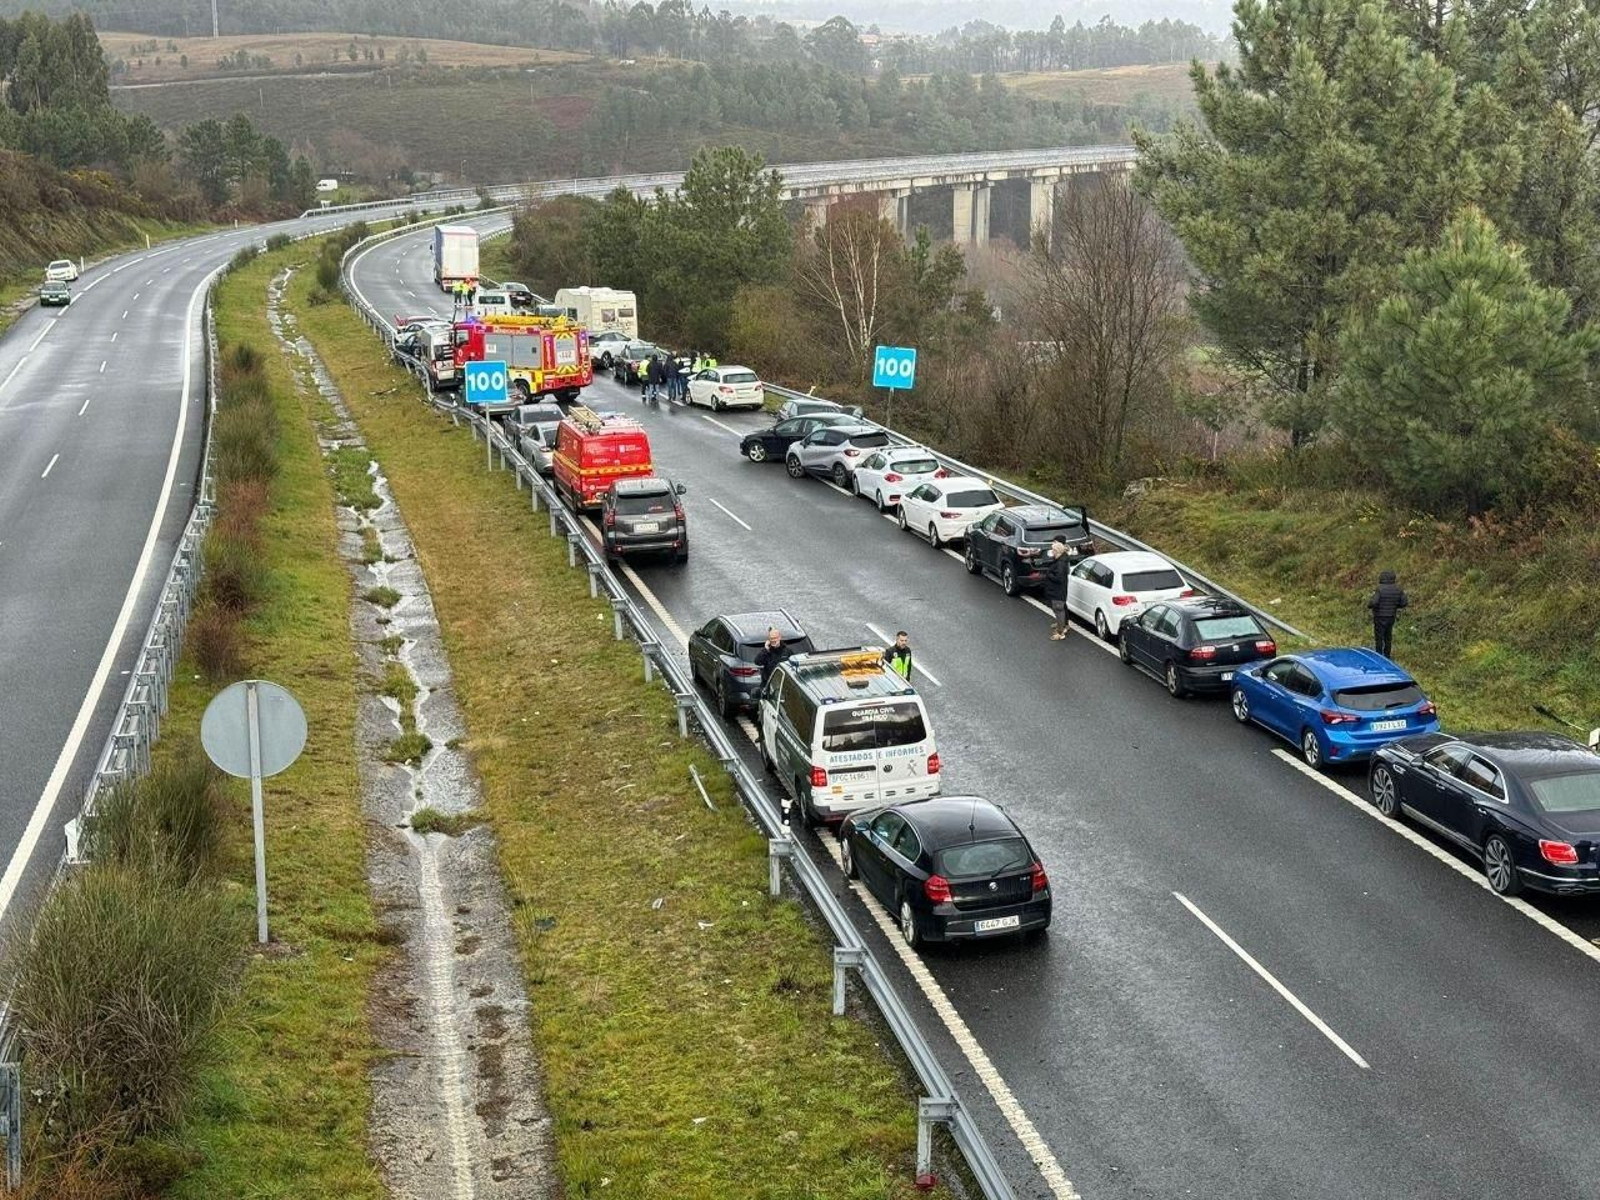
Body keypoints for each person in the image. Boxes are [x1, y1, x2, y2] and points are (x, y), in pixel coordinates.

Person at [1368, 569, 1408, 658]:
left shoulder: (1380, 589)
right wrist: (1395, 606)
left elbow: (1374, 602)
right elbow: (1404, 602)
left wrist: (1370, 605)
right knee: (1388, 636)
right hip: (1391, 616)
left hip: (1379, 616)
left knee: (1379, 637)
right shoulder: (1398, 589)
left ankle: (1379, 655)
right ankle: (1387, 656)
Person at [1044, 536, 1072, 641]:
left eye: (1053, 550)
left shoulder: (1060, 563)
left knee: (1059, 610)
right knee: (1059, 609)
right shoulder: (1061, 560)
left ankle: (1060, 632)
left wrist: (1049, 575)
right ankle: (1061, 626)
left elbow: (1059, 578)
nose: (1052, 552)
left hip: (1057, 591)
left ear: (1057, 551)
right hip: (1058, 591)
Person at [756, 627, 791, 691]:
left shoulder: (787, 651)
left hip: (783, 685)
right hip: (768, 685)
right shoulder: (767, 652)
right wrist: (766, 649)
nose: (773, 640)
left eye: (775, 638)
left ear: (779, 637)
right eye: (771, 638)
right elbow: (757, 661)